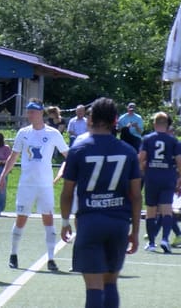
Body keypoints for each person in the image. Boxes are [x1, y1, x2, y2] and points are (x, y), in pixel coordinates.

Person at [60, 97, 142, 308]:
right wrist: (135, 230)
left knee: (94, 286)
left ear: (90, 118)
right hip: (118, 222)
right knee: (111, 282)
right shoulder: (128, 151)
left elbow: (67, 192)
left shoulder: (78, 149)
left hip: (90, 221)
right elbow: (136, 195)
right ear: (116, 120)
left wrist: (65, 221)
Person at [0, 99, 69, 271]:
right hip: (27, 184)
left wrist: (62, 172)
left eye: (33, 111)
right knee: (21, 218)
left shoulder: (53, 133)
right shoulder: (23, 132)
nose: (30, 115)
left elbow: (68, 155)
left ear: (41, 113)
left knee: (49, 219)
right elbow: (13, 156)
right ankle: (13, 254)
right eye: (28, 111)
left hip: (45, 185)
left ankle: (51, 258)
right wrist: (3, 175)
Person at [138, 112, 181, 253]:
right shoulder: (174, 141)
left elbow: (142, 158)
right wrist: (179, 178)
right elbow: (179, 161)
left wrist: (143, 170)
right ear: (167, 125)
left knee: (151, 211)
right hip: (168, 177)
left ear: (154, 124)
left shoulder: (148, 139)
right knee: (166, 209)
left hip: (152, 177)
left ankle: (151, 243)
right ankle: (165, 239)